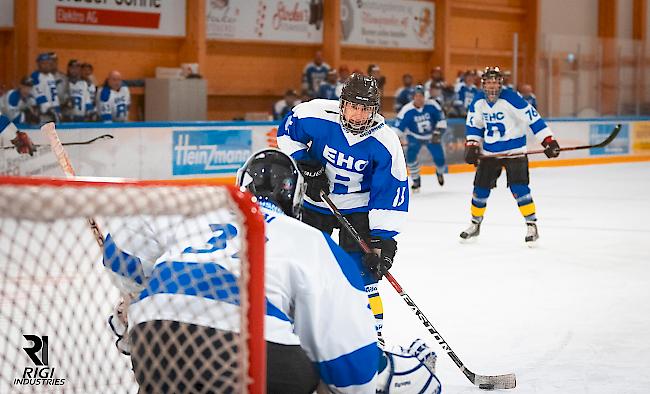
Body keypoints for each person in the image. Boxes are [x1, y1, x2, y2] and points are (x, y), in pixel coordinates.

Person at [105, 148, 440, 393]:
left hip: (153, 340)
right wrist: (392, 371)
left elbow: (119, 248)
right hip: (250, 353)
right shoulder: (310, 240)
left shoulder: (196, 217)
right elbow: (349, 364)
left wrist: (135, 301)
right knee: (324, 376)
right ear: (295, 199)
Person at [276, 73, 409, 342]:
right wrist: (307, 165)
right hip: (317, 203)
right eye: (354, 107)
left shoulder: (385, 141)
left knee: (365, 274)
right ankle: (297, 331)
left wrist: (383, 241)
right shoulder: (315, 114)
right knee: (305, 267)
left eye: (366, 109)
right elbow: (288, 131)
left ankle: (374, 338)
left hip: (358, 209)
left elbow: (390, 190)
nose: (359, 115)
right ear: (342, 104)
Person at [461, 66, 560, 244]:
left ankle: (531, 224)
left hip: (515, 152)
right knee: (480, 190)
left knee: (520, 189)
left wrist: (548, 140)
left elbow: (533, 119)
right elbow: (474, 125)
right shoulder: (477, 100)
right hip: (490, 153)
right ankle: (475, 224)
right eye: (488, 82)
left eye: (495, 82)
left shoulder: (512, 98)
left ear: (500, 83)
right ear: (483, 83)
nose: (492, 86)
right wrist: (472, 144)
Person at [394, 85, 447, 191]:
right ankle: (416, 180)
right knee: (410, 158)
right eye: (417, 96)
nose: (419, 98)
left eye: (421, 96)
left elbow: (442, 121)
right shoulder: (406, 110)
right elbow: (397, 128)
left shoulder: (432, 105)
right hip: (414, 136)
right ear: (413, 97)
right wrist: (395, 139)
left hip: (431, 136)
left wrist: (438, 133)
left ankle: (439, 172)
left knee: (440, 159)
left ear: (424, 96)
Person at [30, 52, 61, 123]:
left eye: (48, 63)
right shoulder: (35, 76)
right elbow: (38, 95)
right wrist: (48, 108)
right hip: (43, 113)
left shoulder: (51, 76)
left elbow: (55, 96)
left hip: (54, 111)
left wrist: (57, 110)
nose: (46, 65)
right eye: (43, 63)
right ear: (38, 64)